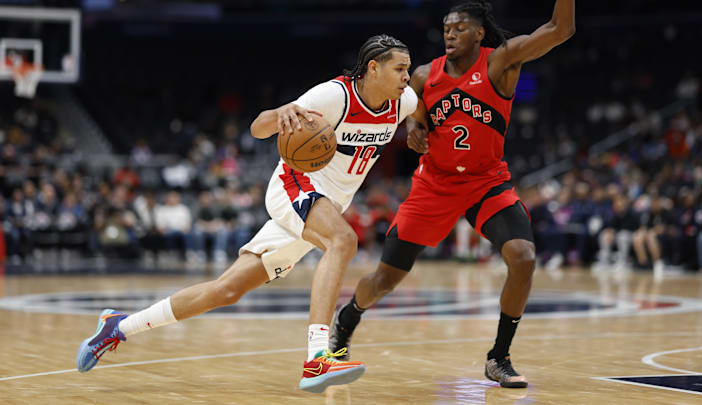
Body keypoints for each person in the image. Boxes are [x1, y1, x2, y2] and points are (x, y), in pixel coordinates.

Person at [75, 34, 420, 394]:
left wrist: (416, 128)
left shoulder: (403, 101)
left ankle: (118, 326)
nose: (406, 76)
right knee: (343, 240)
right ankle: (318, 358)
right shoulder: (334, 96)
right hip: (295, 186)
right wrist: (280, 113)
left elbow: (420, 107)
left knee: (227, 290)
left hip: (326, 207)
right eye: (399, 69)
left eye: (408, 70)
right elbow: (258, 128)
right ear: (373, 68)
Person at [329, 1, 575, 389]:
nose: (450, 33)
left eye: (460, 28)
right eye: (446, 28)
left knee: (523, 257)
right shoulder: (424, 75)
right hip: (435, 185)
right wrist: (414, 127)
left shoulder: (501, 62)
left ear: (479, 33)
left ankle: (499, 357)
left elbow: (560, 30)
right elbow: (414, 115)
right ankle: (347, 319)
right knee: (385, 279)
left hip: (486, 182)